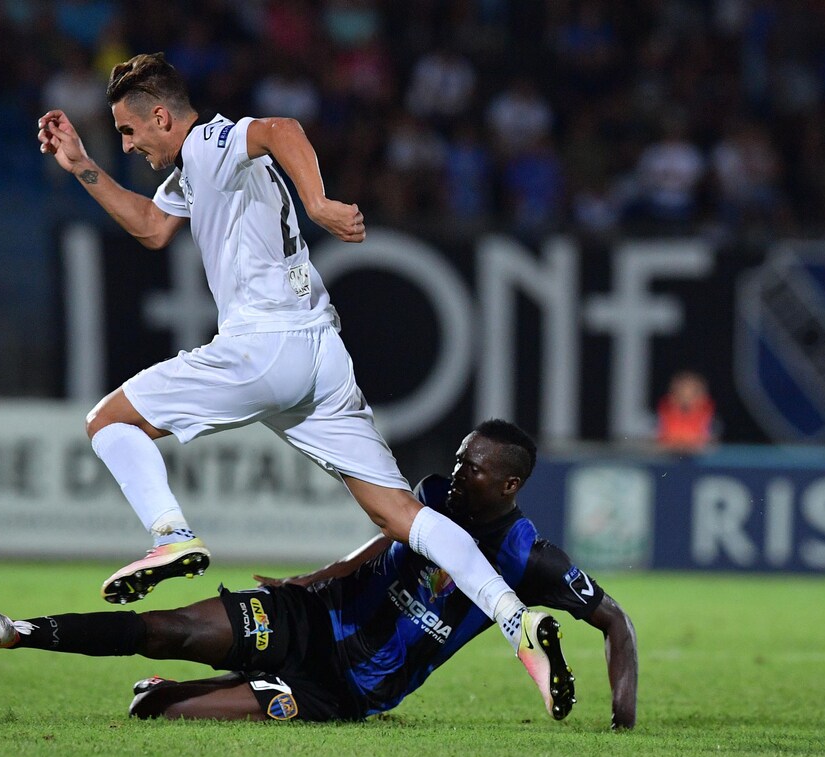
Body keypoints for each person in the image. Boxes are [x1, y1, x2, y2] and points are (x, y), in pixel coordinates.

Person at [36, 52, 559, 697]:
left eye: (128, 130)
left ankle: (171, 535)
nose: (127, 145)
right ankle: (516, 620)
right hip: (320, 355)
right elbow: (151, 227)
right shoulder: (196, 169)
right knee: (398, 512)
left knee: (109, 422)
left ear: (162, 117)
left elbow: (280, 128)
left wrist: (319, 203)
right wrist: (82, 166)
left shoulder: (209, 144)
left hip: (264, 345)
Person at [0, 419, 638, 728]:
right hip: (313, 617)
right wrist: (315, 578)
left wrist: (623, 721)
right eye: (460, 459)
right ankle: (19, 631)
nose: (458, 473)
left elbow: (616, 622)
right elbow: (382, 541)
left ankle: (184, 691)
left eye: (475, 468)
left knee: (153, 711)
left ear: (510, 484)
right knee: (167, 628)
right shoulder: (433, 495)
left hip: (344, 691)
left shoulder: (531, 559)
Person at [655, 370, 717, 453]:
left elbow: (709, 446)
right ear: (672, 396)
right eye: (680, 394)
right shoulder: (659, 421)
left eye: (693, 394)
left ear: (703, 398)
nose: (686, 399)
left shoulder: (712, 423)